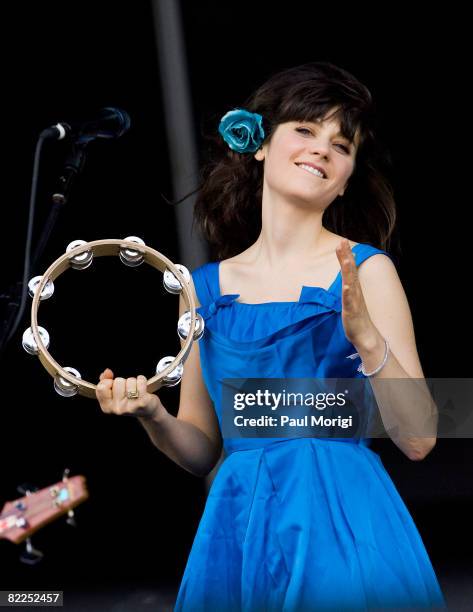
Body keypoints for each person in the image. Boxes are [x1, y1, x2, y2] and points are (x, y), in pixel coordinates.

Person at [96, 61, 447, 611]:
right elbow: (202, 446)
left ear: (347, 175)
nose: (322, 149)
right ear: (259, 145)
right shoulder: (204, 289)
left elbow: (421, 437)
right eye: (305, 130)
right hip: (239, 527)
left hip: (342, 521)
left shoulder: (367, 270)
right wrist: (153, 417)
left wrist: (368, 339)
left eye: (342, 144)